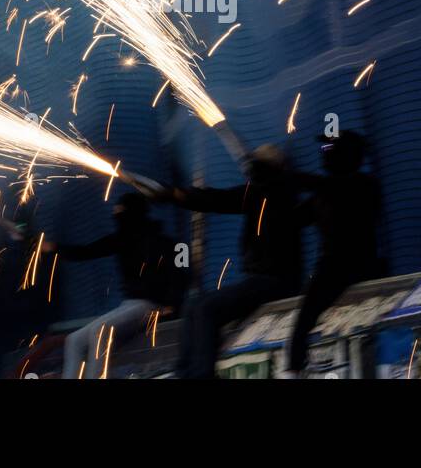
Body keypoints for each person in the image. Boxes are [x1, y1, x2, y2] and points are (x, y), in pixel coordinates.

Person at [168, 145, 303, 379]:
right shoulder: (263, 193)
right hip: (261, 279)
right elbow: (216, 199)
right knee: (193, 305)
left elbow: (217, 199)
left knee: (206, 309)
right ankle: (183, 374)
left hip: (277, 281)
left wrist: (176, 195)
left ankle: (201, 374)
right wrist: (177, 195)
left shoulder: (274, 193)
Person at [41, 191, 186, 379]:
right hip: (130, 305)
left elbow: (180, 275)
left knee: (100, 332)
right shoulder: (123, 239)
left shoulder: (165, 243)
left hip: (151, 305)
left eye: (120, 212)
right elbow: (86, 251)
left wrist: (172, 305)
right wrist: (53, 248)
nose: (116, 217)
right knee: (74, 340)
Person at [283, 130, 383, 377]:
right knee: (302, 324)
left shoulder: (363, 185)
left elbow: (335, 188)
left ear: (346, 155)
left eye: (329, 150)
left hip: (354, 268)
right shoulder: (322, 193)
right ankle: (294, 370)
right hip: (331, 269)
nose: (324, 155)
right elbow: (291, 221)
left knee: (305, 319)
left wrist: (285, 178)